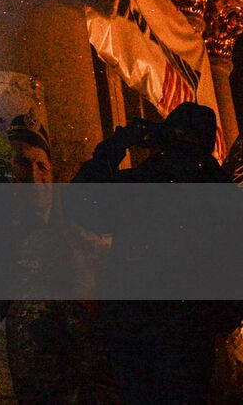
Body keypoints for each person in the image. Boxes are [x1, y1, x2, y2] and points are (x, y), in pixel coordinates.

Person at [70, 102, 237, 405]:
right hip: (186, 339)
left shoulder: (147, 183)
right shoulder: (221, 194)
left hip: (138, 336)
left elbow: (83, 203)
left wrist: (118, 145)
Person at [0, 112, 116, 405]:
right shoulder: (7, 240)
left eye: (42, 165)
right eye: (23, 164)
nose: (35, 175)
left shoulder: (75, 237)